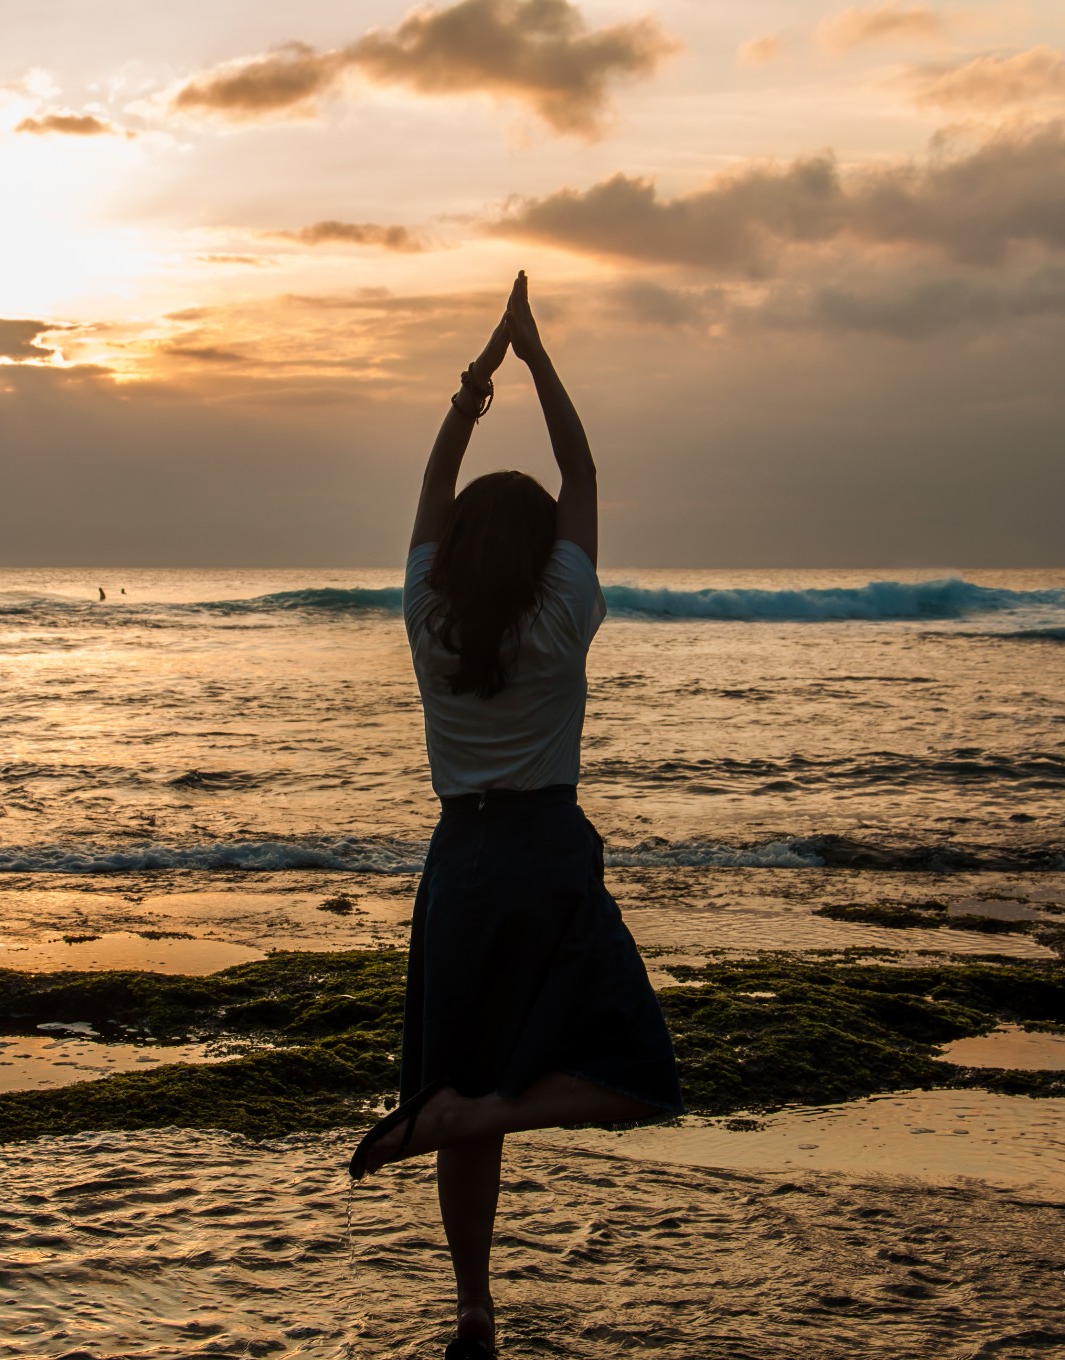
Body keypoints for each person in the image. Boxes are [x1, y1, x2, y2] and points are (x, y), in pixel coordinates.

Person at [348, 273, 682, 1360]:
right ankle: (485, 1116)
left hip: (462, 861)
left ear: (451, 551)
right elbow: (581, 470)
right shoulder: (562, 619)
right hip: (545, 851)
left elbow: (434, 491)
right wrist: (535, 358)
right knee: (637, 1070)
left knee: (458, 1073)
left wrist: (470, 392)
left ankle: (473, 1306)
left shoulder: (425, 614)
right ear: (543, 552)